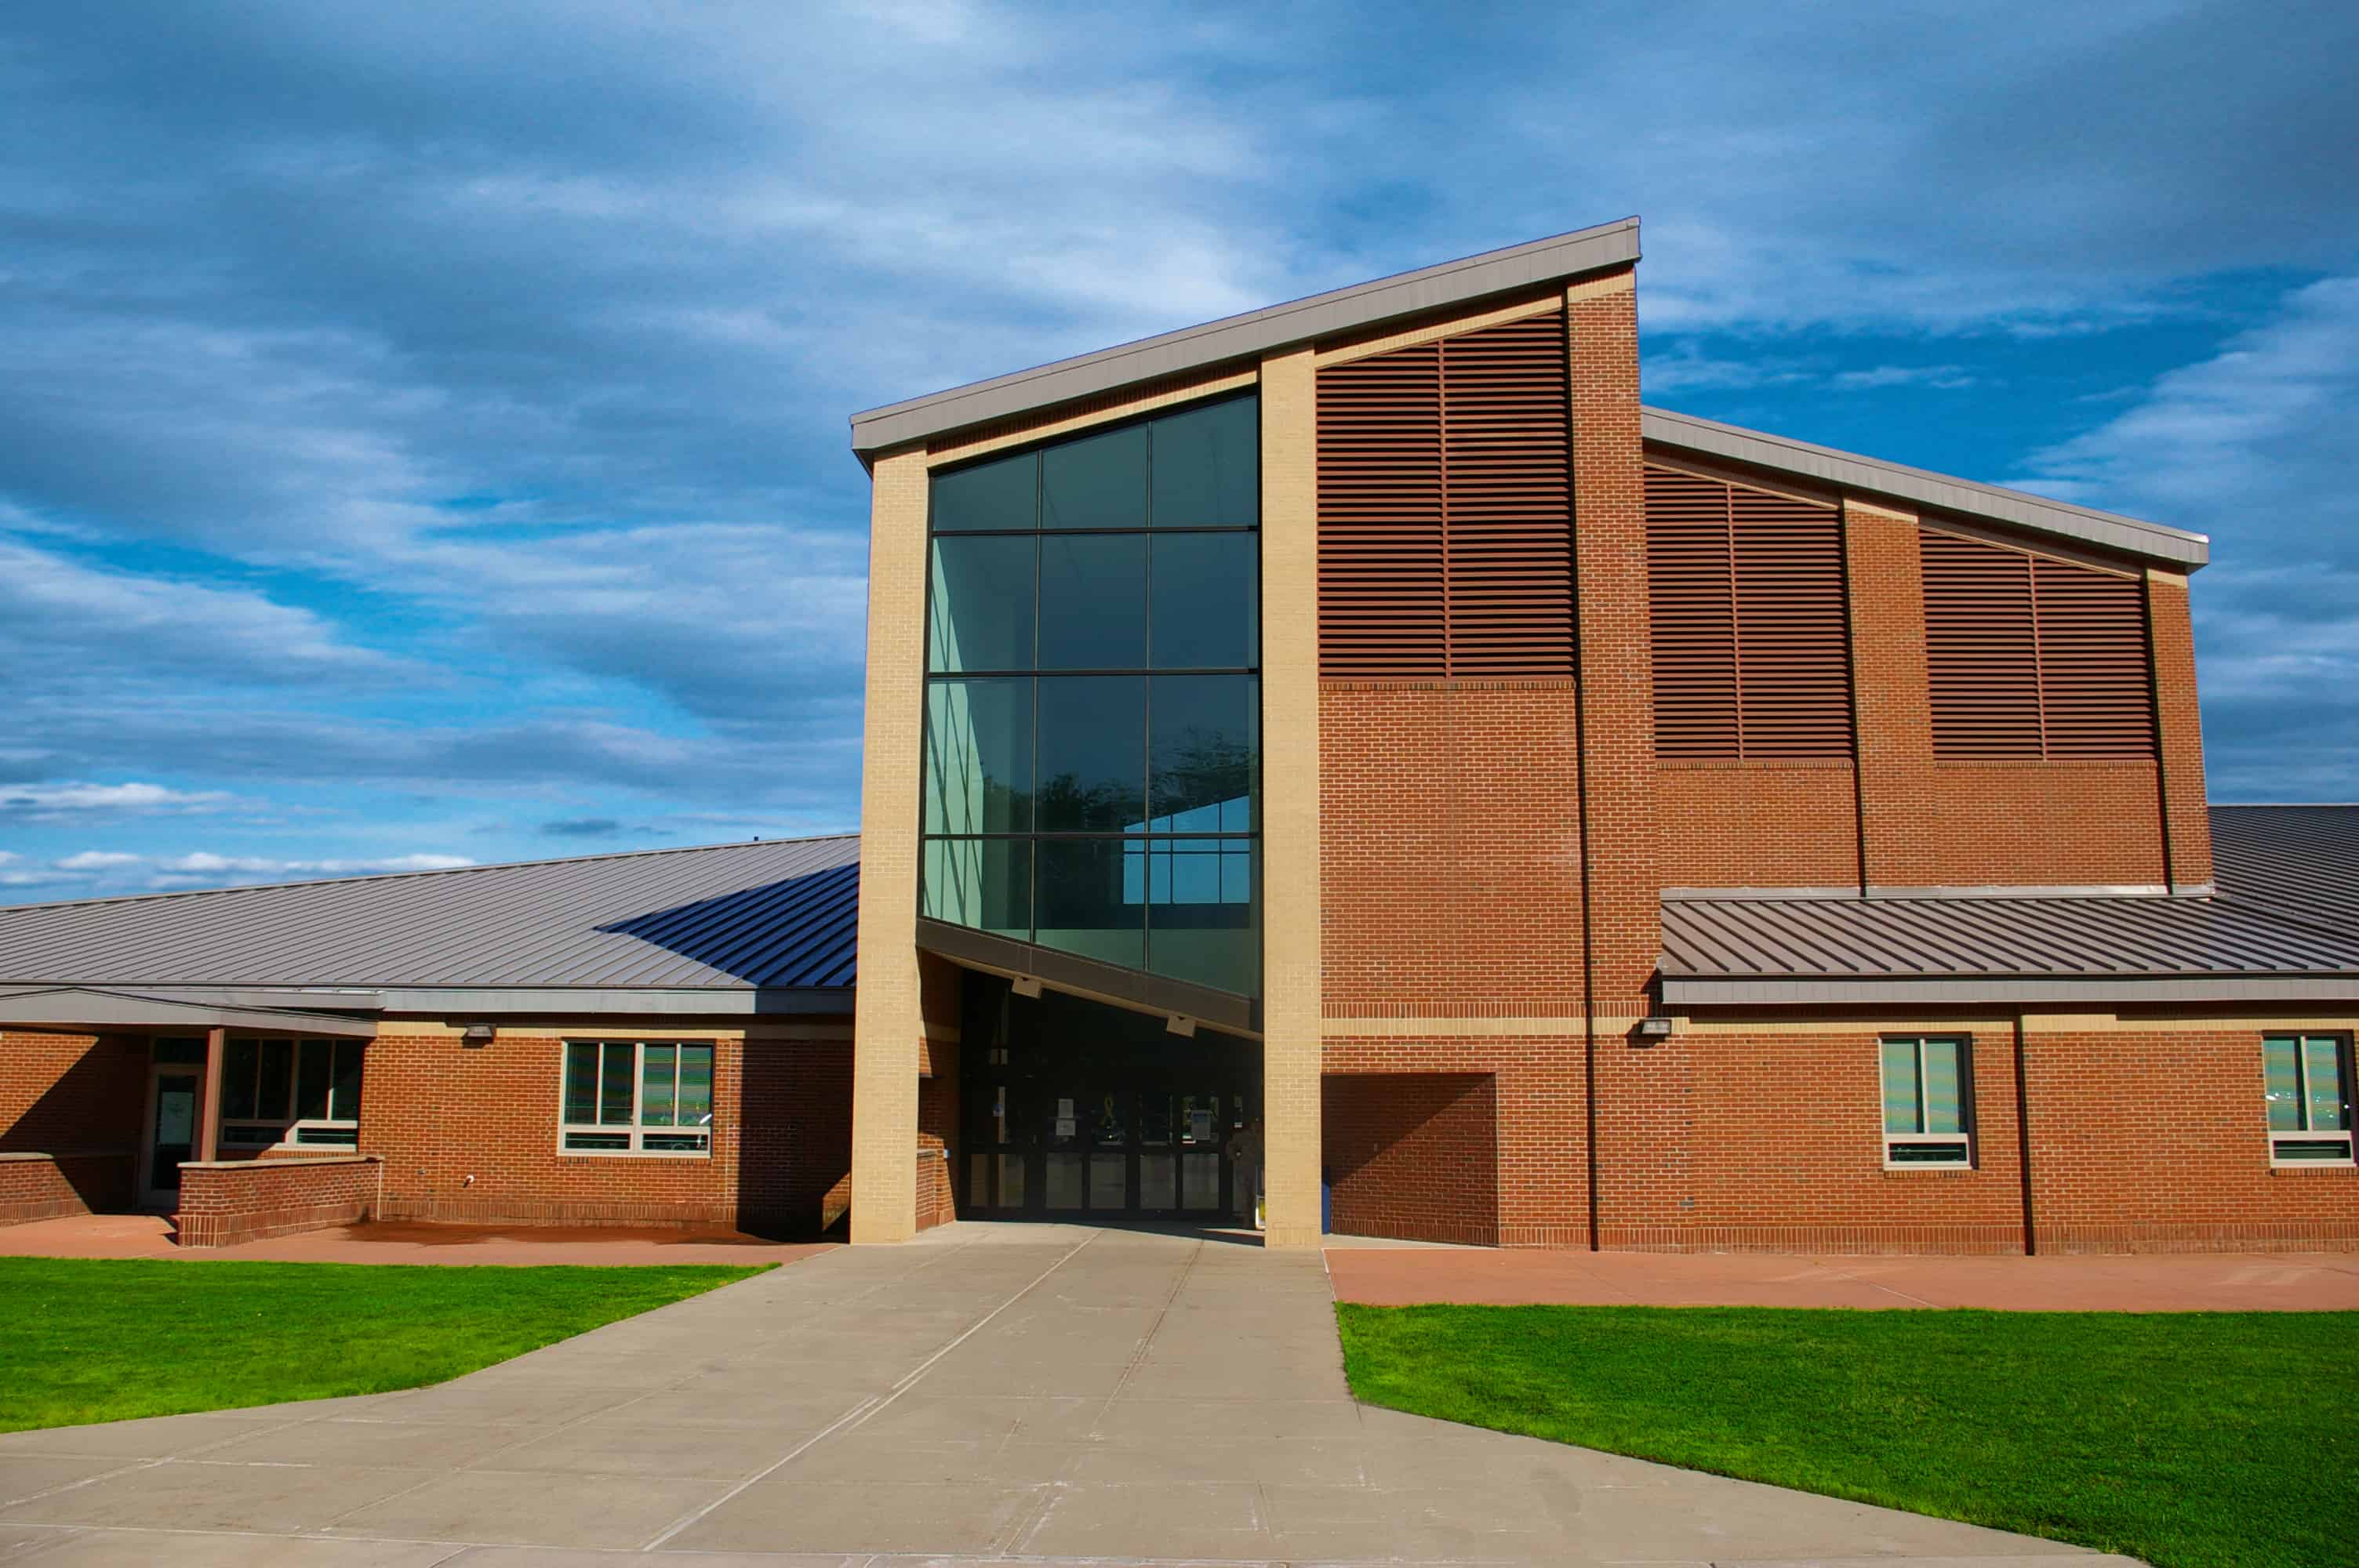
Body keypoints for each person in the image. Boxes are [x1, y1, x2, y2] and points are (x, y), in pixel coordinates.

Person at [1228, 1116, 1264, 1231]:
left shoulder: (1265, 1136)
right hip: (1246, 1170)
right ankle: (1247, 1220)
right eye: (1254, 1123)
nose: (1256, 1126)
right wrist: (1235, 1159)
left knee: (1261, 1196)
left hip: (1262, 1170)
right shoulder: (1243, 1136)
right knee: (1246, 1196)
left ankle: (1261, 1220)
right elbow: (1230, 1147)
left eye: (1259, 1124)